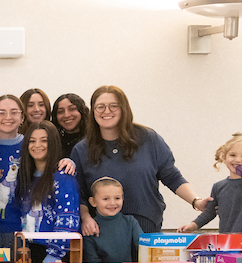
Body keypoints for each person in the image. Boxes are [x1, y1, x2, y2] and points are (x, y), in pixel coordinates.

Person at [71, 86, 209, 235]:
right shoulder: (81, 150)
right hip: (102, 234)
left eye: (113, 106)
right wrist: (85, 218)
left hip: (146, 228)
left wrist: (197, 202)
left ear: (124, 109)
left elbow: (172, 177)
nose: (106, 111)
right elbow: (80, 194)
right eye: (100, 107)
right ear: (93, 112)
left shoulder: (148, 138)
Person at [17, 121, 81, 263]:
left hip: (53, 255)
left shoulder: (63, 176)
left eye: (44, 140)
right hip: (28, 252)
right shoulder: (26, 177)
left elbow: (68, 217)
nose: (37, 145)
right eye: (32, 141)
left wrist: (54, 254)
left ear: (53, 143)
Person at [179, 132, 242, 234]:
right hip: (226, 241)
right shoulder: (218, 187)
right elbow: (209, 212)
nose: (238, 160)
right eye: (232, 155)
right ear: (224, 157)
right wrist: (193, 225)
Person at [0, 94, 25, 251]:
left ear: (22, 117)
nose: (8, 117)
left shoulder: (31, 144)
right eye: (1, 112)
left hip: (21, 229)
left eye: (14, 112)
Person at [82, 177, 141, 263]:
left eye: (117, 198)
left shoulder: (130, 222)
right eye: (106, 199)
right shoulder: (90, 227)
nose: (112, 203)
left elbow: (143, 246)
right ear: (93, 202)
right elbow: (92, 259)